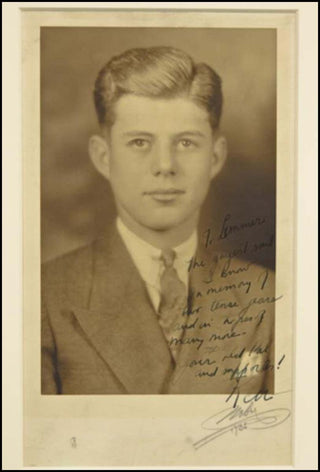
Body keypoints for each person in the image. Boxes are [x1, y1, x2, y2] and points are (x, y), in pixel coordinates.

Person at [41, 46, 275, 395]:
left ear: (215, 157)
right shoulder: (43, 295)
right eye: (139, 142)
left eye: (185, 142)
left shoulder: (267, 296)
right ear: (103, 157)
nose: (164, 165)